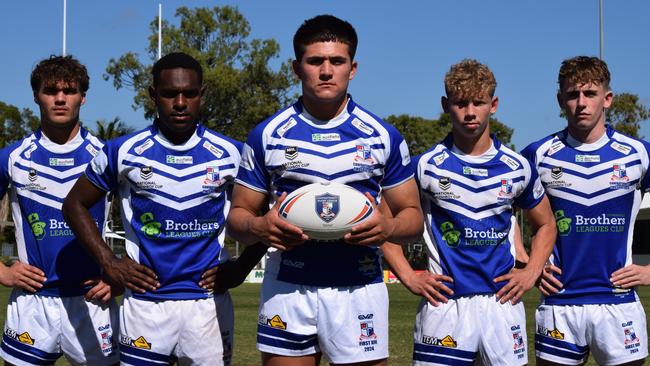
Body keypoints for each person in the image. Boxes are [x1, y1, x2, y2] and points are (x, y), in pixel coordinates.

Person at [226, 15, 423, 366]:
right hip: (288, 285)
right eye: (315, 61)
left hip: (359, 287)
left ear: (353, 67)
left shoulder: (382, 136)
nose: (326, 71)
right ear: (296, 68)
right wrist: (258, 227)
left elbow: (413, 219)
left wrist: (388, 228)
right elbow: (237, 216)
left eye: (337, 61)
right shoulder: (267, 135)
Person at [62, 52, 266, 366]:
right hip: (145, 304)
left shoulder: (232, 153)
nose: (180, 102)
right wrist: (110, 261)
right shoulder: (121, 151)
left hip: (207, 304)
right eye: (170, 94)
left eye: (190, 93)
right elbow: (74, 204)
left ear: (202, 94)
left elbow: (267, 214)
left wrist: (241, 268)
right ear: (153, 95)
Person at [384, 59, 556, 365]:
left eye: (479, 102)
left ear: (494, 104)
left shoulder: (518, 167)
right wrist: (409, 276)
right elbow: (384, 222)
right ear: (445, 105)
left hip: (502, 303)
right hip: (444, 305)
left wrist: (531, 271)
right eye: (461, 103)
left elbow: (546, 225)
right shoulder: (424, 166)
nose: (470, 112)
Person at [522, 56, 649, 365]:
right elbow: (502, 210)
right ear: (560, 99)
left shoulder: (639, 154)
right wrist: (527, 264)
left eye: (590, 94)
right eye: (572, 94)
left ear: (607, 99)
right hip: (559, 304)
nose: (581, 103)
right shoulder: (536, 156)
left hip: (619, 303)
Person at [0, 55, 118, 365]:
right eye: (51, 90)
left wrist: (119, 274)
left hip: (93, 299)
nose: (61, 98)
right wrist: (1, 270)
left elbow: (143, 216)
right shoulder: (12, 157)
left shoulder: (107, 155)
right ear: (36, 96)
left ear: (84, 97)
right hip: (33, 301)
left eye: (70, 90)